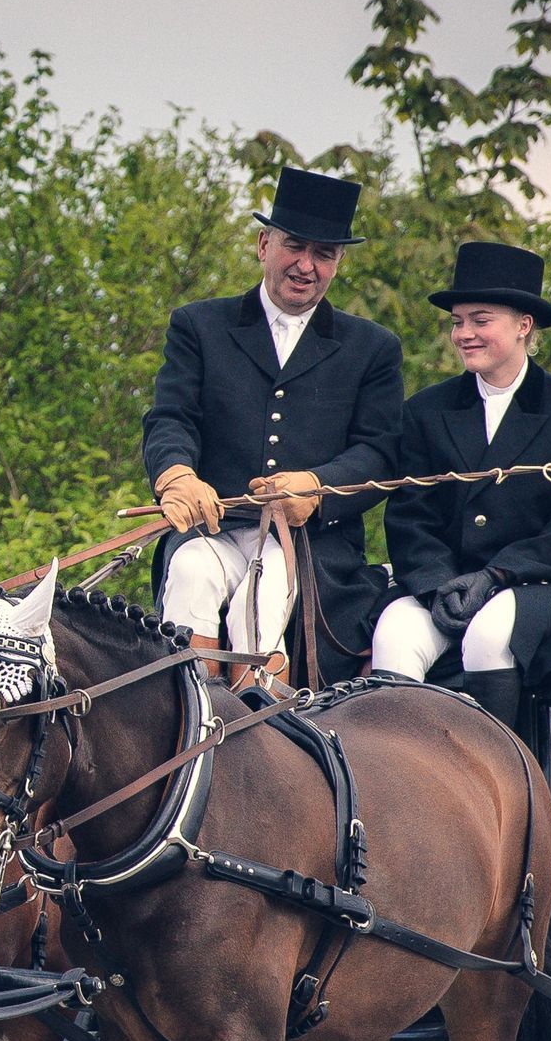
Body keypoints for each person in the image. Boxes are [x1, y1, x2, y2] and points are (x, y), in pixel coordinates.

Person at [143, 166, 402, 683]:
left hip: (308, 546)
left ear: (338, 263)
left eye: (323, 254)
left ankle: (261, 737)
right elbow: (172, 417)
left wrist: (318, 487)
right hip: (214, 530)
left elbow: (381, 451)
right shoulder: (199, 325)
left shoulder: (371, 347)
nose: (305, 265)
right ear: (264, 245)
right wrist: (176, 474)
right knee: (190, 572)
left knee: (258, 604)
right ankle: (188, 721)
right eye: (294, 247)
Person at [371, 241, 551, 731]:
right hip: (446, 584)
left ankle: (498, 780)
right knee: (394, 632)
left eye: (479, 320)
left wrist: (499, 575)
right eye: (458, 322)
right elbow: (408, 515)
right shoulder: (426, 410)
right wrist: (440, 583)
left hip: (539, 586)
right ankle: (399, 788)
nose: (463, 334)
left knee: (489, 632)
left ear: (523, 325)